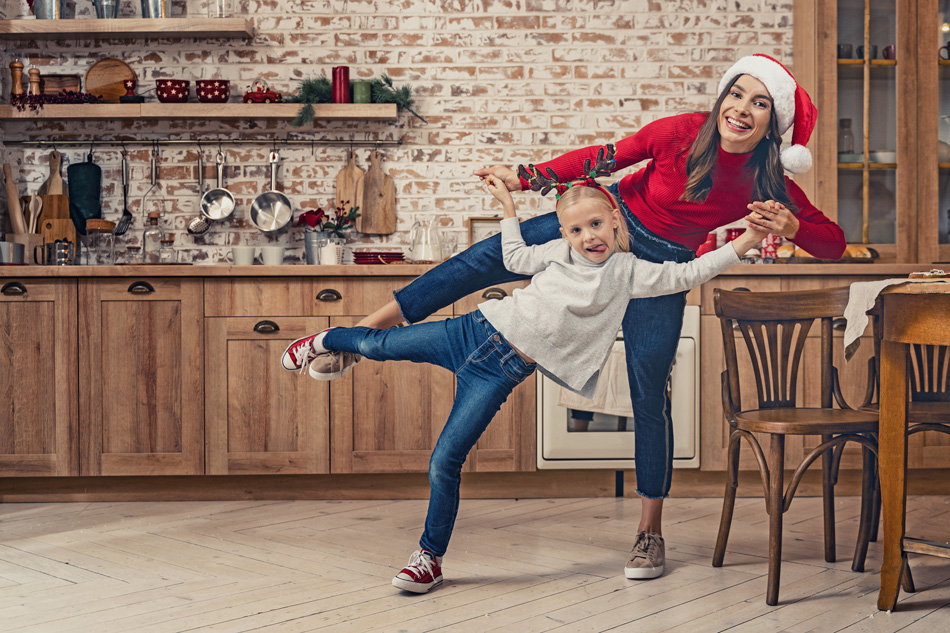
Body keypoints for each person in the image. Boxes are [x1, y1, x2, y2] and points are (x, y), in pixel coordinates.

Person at [303, 53, 847, 583]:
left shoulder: (768, 179)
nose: (742, 109)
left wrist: (793, 227)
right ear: (722, 98)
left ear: (773, 124)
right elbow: (602, 158)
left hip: (660, 269)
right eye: (736, 93)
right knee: (480, 259)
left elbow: (834, 243)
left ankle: (649, 531)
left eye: (759, 103)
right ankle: (361, 337)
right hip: (605, 229)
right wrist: (527, 177)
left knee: (649, 394)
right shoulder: (679, 131)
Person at [281, 174, 768, 593]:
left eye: (596, 224)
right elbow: (513, 255)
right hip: (470, 332)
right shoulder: (556, 251)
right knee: (376, 346)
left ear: (616, 219)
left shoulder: (628, 273)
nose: (588, 236)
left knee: (445, 460)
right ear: (564, 234)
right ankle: (323, 340)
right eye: (576, 229)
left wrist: (743, 242)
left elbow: (689, 272)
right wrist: (509, 208)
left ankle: (428, 560)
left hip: (496, 373)